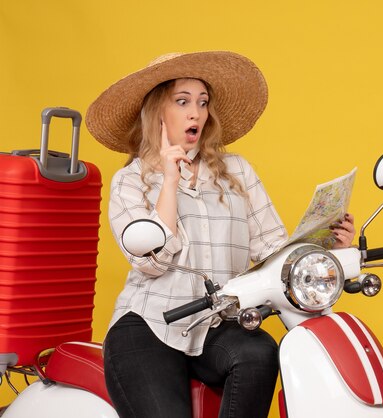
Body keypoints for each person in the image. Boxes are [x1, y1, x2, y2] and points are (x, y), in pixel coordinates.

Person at [85, 51, 355, 418]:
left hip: (217, 322)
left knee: (259, 352)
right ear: (158, 113)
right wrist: (169, 178)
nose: (195, 112)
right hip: (148, 326)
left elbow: (274, 249)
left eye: (202, 102)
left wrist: (329, 247)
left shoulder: (237, 172)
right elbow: (151, 262)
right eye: (182, 102)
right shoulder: (130, 181)